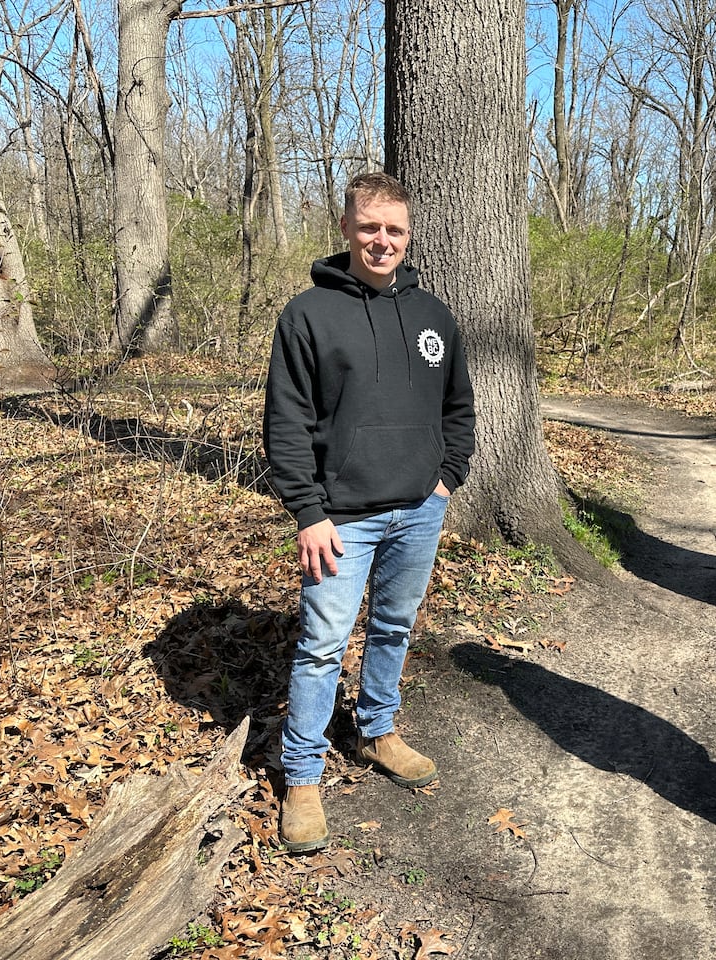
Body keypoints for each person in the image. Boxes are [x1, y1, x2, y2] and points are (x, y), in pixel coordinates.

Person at [264, 171, 475, 853]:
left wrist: (445, 480)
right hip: (339, 521)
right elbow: (286, 423)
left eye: (394, 230)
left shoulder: (435, 316)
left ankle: (378, 731)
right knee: (323, 648)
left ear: (409, 237)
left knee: (393, 626)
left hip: (418, 511)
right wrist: (307, 511)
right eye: (369, 227)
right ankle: (301, 776)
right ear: (349, 228)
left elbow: (459, 409)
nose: (381, 241)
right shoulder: (307, 315)